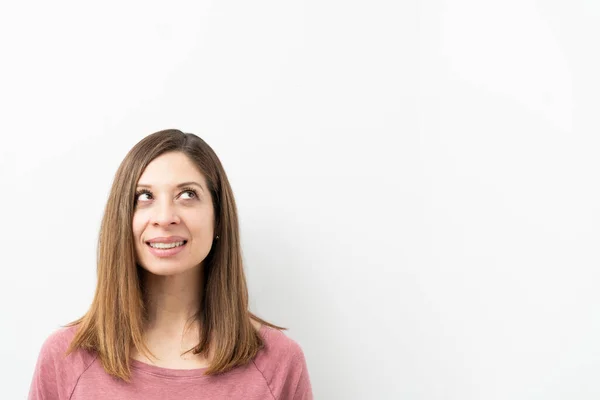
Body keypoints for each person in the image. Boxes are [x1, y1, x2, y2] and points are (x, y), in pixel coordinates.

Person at [28, 129, 313, 399]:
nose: (164, 217)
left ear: (219, 219)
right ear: (122, 220)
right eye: (144, 197)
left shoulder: (279, 363)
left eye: (187, 194)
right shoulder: (64, 358)